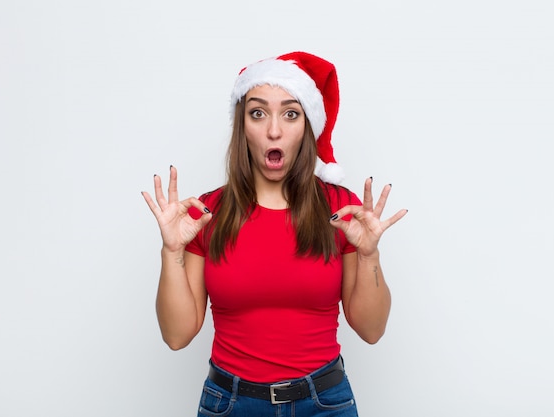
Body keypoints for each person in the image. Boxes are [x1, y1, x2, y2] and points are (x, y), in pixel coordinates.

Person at [142, 51, 407, 417]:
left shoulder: (340, 209)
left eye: (290, 113)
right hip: (230, 404)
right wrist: (171, 250)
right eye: (258, 112)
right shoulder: (206, 213)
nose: (274, 130)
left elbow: (372, 330)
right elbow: (176, 336)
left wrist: (369, 256)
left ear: (307, 126)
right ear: (243, 125)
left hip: (324, 403)